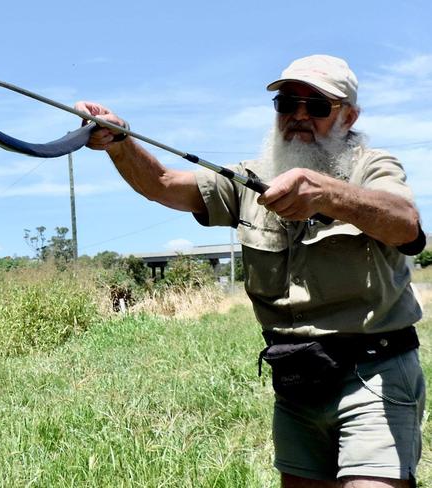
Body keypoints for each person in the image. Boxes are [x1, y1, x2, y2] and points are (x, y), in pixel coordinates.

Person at [75, 54, 426, 488]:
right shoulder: (249, 176)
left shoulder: (373, 166)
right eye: (287, 103)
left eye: (317, 106)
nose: (298, 115)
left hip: (374, 373)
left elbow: (405, 222)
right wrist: (119, 141)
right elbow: (163, 184)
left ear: (349, 116)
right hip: (296, 380)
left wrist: (328, 195)